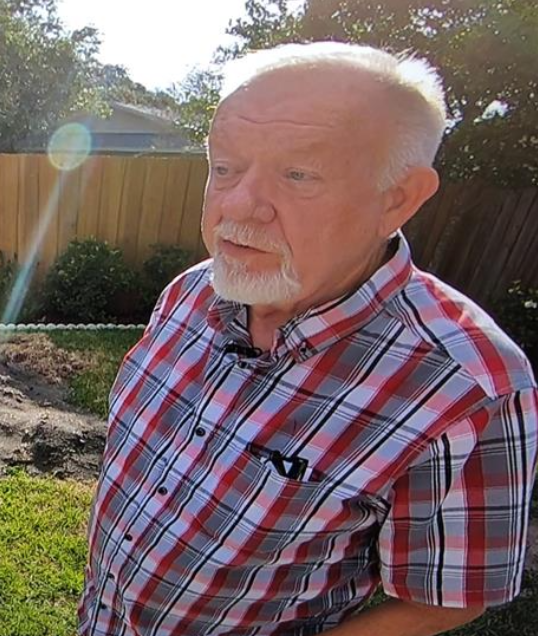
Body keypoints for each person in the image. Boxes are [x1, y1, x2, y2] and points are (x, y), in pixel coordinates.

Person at [78, 42, 538, 636]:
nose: (238, 204)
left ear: (397, 198)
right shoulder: (193, 291)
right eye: (224, 167)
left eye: (298, 174)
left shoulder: (469, 387)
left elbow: (443, 599)